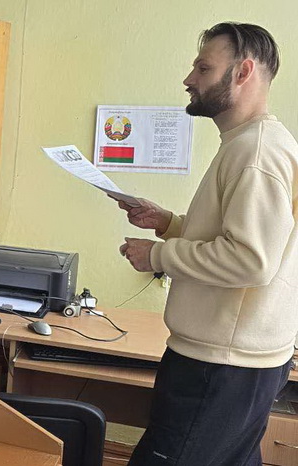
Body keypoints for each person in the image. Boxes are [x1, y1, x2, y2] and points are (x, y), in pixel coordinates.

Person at [117, 23, 298, 466]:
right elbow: (243, 241)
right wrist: (169, 224)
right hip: (236, 361)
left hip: (221, 365)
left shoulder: (255, 152)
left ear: (243, 72)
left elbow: (251, 261)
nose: (189, 79)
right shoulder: (250, 143)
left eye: (203, 68)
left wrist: (157, 255)